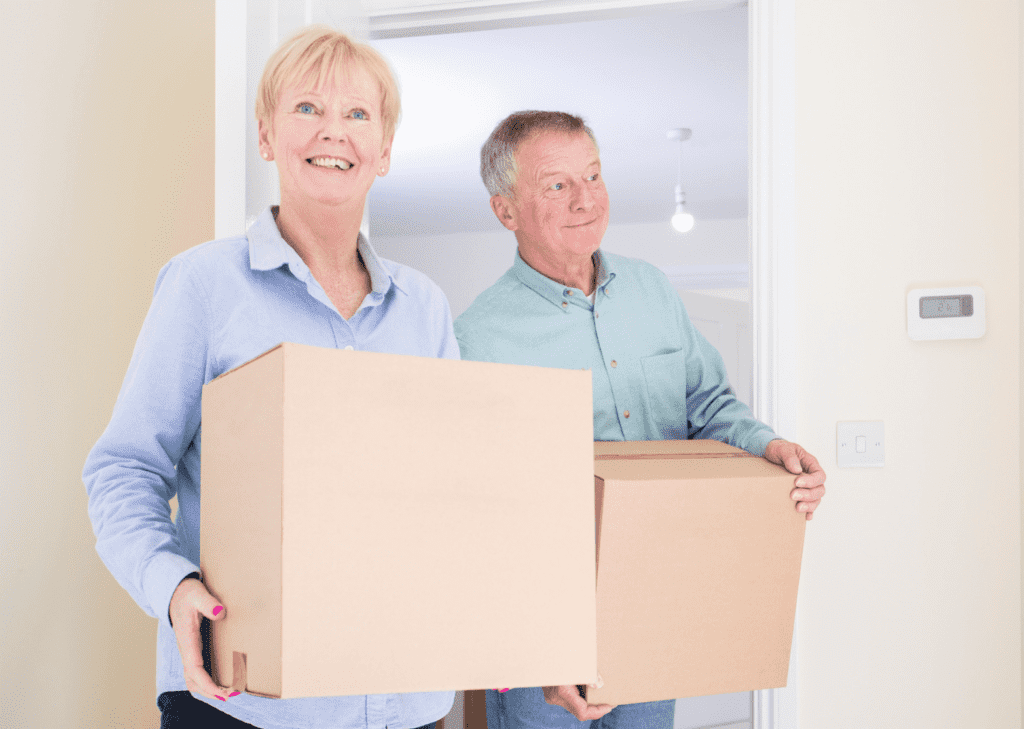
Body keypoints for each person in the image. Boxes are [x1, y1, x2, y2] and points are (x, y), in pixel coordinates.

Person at [83, 27, 457, 729]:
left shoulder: (425, 308)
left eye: (357, 114)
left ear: (384, 149)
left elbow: (454, 493)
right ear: (266, 136)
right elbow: (123, 468)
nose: (333, 132)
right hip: (245, 702)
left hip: (405, 700)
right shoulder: (204, 285)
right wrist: (174, 587)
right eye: (307, 109)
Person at [455, 111, 827, 729]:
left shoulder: (652, 291)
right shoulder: (478, 335)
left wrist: (770, 445)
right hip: (543, 621)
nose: (585, 199)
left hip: (656, 600)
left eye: (594, 175)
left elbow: (707, 406)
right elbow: (476, 506)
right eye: (557, 185)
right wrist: (531, 644)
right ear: (505, 211)